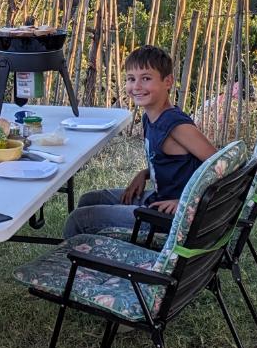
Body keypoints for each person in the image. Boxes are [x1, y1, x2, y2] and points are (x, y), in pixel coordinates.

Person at [63, 43, 216, 238]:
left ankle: (78, 264)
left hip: (170, 219)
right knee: (89, 199)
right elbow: (176, 164)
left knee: (79, 219)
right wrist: (144, 174)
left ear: (167, 82)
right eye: (131, 79)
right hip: (158, 199)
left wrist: (186, 203)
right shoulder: (150, 117)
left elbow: (223, 167)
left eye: (146, 78)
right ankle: (94, 253)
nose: (136, 86)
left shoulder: (175, 125)